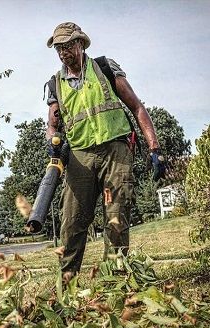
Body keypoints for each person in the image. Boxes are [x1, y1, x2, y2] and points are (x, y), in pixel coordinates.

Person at [45, 22, 165, 277]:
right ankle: (68, 283)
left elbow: (137, 107)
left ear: (80, 44)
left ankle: (116, 281)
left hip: (115, 152)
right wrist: (52, 140)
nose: (63, 53)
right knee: (72, 221)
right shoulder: (55, 84)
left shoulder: (105, 68)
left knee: (116, 215)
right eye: (58, 48)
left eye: (67, 46)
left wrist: (155, 149)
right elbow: (52, 126)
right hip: (80, 157)